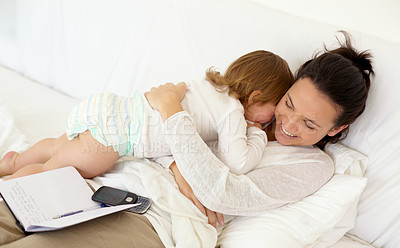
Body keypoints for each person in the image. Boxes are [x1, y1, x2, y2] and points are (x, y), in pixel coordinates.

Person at [0, 32, 373, 248]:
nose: (288, 125)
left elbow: (222, 193)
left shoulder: (312, 166)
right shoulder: (245, 112)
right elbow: (163, 140)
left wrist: (171, 111)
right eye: (289, 104)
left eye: (310, 124)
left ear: (337, 129)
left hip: (151, 220)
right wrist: (181, 163)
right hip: (105, 177)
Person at [0, 50, 293, 180]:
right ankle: (11, 189)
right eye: (275, 107)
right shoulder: (231, 112)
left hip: (111, 109)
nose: (272, 117)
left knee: (57, 145)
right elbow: (238, 163)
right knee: (55, 171)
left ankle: (12, 163)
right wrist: (256, 132)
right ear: (256, 97)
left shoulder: (207, 84)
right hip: (115, 138)